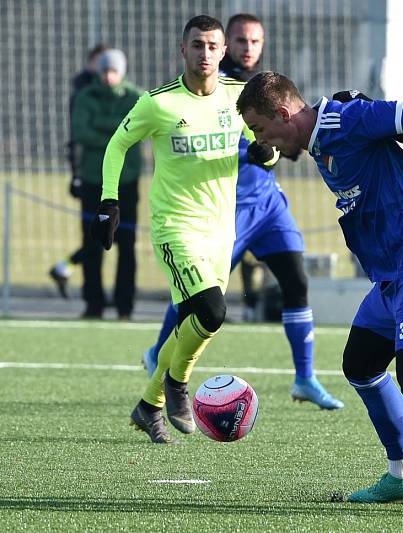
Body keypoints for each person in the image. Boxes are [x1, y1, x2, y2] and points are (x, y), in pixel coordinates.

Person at [236, 72, 403, 518]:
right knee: (361, 365)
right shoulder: (322, 145)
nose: (261, 141)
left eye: (260, 129)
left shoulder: (343, 121)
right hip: (392, 277)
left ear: (283, 114)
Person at [142, 13, 343, 411]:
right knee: (197, 297)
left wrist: (277, 149)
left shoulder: (266, 87)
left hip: (268, 205)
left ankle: (305, 377)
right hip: (226, 208)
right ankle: (157, 356)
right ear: (224, 44)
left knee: (296, 280)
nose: (246, 48)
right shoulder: (214, 87)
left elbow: (284, 142)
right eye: (239, 41)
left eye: (254, 41)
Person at [91, 15, 264, 443]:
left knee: (196, 320)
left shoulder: (238, 95)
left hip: (221, 230)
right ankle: (176, 384)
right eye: (197, 45)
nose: (205, 53)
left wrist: (267, 154)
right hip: (176, 226)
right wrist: (108, 200)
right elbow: (118, 144)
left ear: (223, 53)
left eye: (212, 46)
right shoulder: (158, 102)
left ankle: (148, 406)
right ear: (182, 50)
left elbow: (261, 139)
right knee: (211, 312)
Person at [64, 49, 142, 319]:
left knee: (127, 246)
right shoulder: (85, 96)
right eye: (105, 70)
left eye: (114, 71)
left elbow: (134, 134)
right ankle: (93, 305)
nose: (109, 76)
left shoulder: (136, 98)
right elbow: (82, 131)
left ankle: (124, 307)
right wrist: (117, 133)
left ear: (123, 72)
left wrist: (108, 131)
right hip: (92, 179)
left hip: (127, 181)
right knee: (92, 243)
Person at [49, 43, 110, 299]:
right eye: (101, 62)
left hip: (110, 173)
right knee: (99, 233)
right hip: (90, 173)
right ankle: (91, 294)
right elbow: (77, 137)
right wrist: (75, 173)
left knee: (110, 233)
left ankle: (65, 268)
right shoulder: (83, 93)